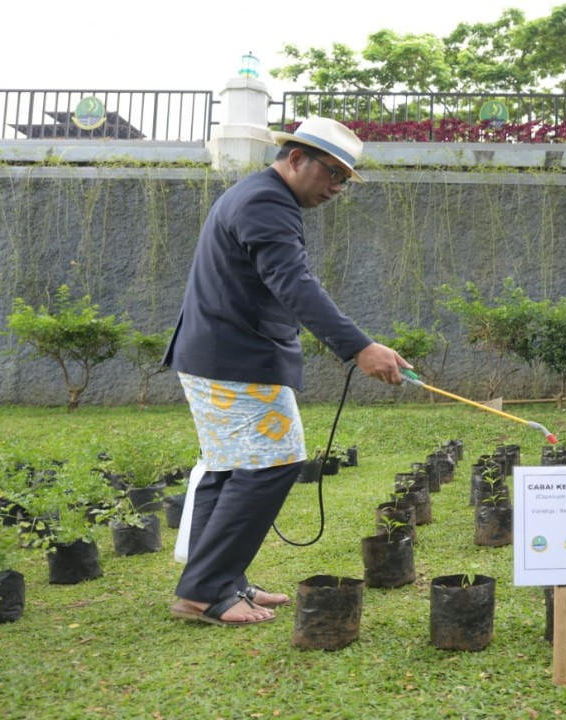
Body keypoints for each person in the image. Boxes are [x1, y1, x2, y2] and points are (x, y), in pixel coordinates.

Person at [163, 116, 409, 626]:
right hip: (232, 362)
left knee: (231, 468)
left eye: (345, 179)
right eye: (333, 174)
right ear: (296, 158)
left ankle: (217, 582)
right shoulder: (265, 202)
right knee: (273, 464)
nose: (337, 188)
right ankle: (207, 591)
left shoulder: (259, 196)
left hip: (219, 357)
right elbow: (294, 284)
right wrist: (359, 348)